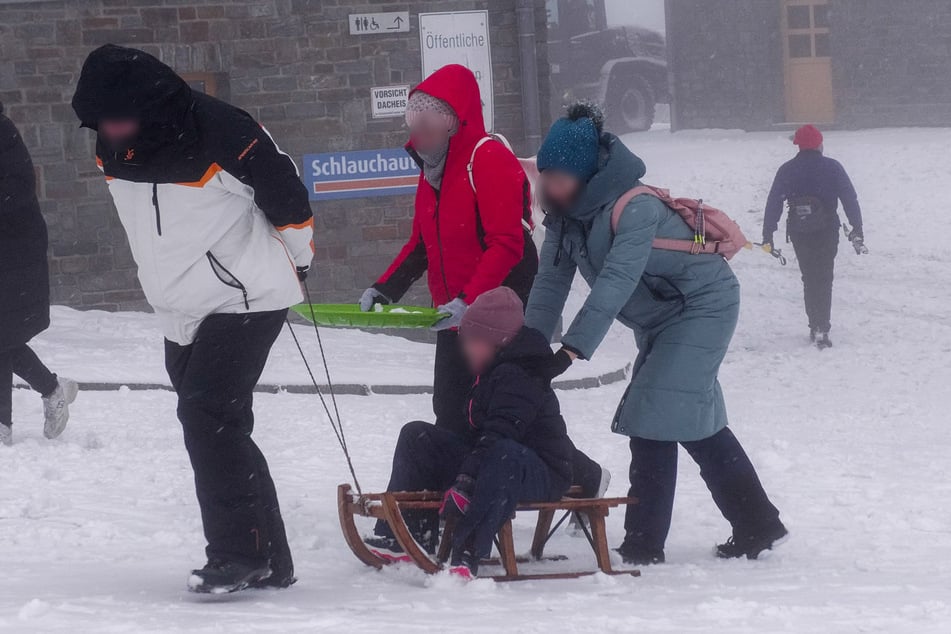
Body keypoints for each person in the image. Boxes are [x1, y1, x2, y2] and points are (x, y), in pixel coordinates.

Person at [71, 45, 314, 594]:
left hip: (246, 296)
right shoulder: (114, 143)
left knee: (206, 416)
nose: (109, 132)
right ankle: (270, 557)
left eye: (118, 119)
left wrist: (298, 262)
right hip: (176, 305)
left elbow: (288, 198)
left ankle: (236, 554)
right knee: (222, 429)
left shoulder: (222, 130)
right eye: (100, 123)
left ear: (149, 103)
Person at [525, 103, 787, 565]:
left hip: (701, 307)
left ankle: (644, 544)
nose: (550, 185)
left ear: (586, 174)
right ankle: (757, 523)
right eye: (546, 175)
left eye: (560, 177)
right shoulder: (565, 218)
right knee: (691, 422)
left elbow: (616, 281)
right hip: (663, 317)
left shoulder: (635, 206)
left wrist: (570, 351)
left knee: (651, 416)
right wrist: (528, 345)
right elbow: (549, 284)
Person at [358, 65, 608, 499]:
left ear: (454, 123)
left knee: (495, 409)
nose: (419, 136)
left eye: (429, 126)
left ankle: (560, 477)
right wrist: (385, 288)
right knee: (454, 409)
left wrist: (469, 301)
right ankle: (452, 501)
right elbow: (421, 244)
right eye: (414, 126)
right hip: (454, 309)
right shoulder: (430, 172)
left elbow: (507, 243)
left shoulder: (486, 157)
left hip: (499, 303)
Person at [365, 287, 575, 578]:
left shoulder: (522, 374)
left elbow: (502, 432)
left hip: (539, 470)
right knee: (418, 437)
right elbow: (472, 431)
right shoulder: (489, 371)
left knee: (502, 455)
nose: (466, 348)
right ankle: (406, 536)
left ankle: (467, 552)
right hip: (494, 458)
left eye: (474, 341)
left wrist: (465, 479)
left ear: (498, 341)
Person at [0, 102, 78, 447]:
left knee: (2, 335)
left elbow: (14, 193)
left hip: (14, 250)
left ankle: (4, 425)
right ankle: (52, 389)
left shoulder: (4, 134)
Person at [763, 124, 865, 349]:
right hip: (827, 229)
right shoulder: (832, 167)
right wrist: (857, 227)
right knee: (824, 276)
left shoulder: (787, 170)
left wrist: (768, 233)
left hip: (800, 231)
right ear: (819, 144)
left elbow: (774, 202)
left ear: (798, 145)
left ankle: (814, 325)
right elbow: (850, 198)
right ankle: (823, 327)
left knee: (809, 277)